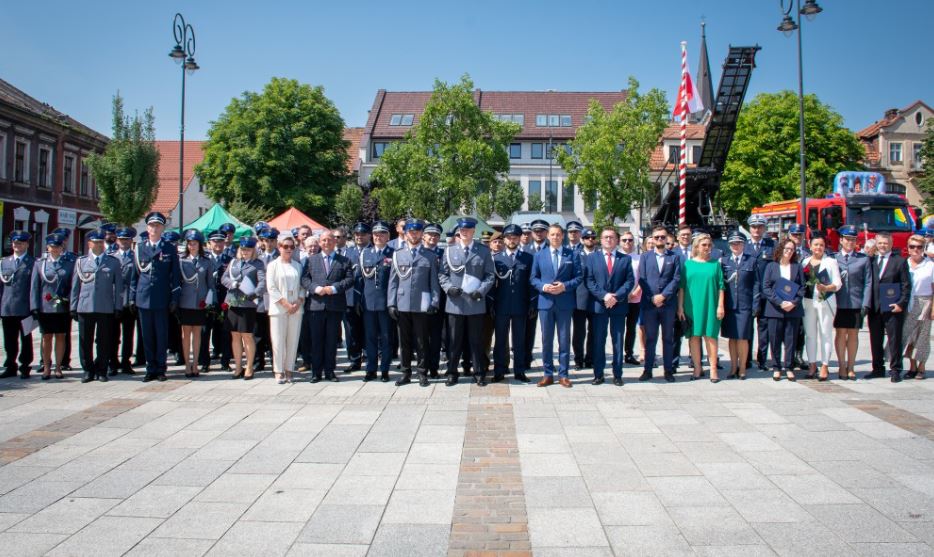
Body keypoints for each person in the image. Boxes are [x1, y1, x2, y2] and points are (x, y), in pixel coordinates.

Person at [440, 218, 495, 386]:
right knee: (454, 341)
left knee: (476, 341)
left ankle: (478, 373)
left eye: (468, 230)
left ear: (473, 232)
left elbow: (490, 276)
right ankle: (452, 372)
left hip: (475, 303)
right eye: (462, 230)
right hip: (455, 303)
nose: (465, 232)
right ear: (459, 232)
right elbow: (443, 274)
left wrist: (481, 291)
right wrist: (449, 288)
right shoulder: (449, 251)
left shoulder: (483, 251)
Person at [387, 219, 441, 387]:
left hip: (422, 304)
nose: (414, 234)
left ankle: (422, 373)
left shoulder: (430, 256)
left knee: (422, 340)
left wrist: (435, 302)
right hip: (402, 303)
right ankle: (405, 373)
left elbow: (434, 282)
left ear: (421, 234)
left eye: (417, 232)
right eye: (411, 231)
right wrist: (391, 303)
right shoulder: (398, 254)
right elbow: (393, 282)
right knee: (404, 341)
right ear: (406, 233)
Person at [531, 224, 582, 388]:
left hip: (564, 303)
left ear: (563, 236)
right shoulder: (539, 255)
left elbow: (579, 277)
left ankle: (563, 374)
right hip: (545, 303)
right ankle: (547, 374)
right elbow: (533, 278)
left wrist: (564, 286)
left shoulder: (572, 254)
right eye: (552, 235)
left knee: (564, 339)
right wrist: (544, 287)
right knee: (547, 340)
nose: (555, 237)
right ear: (548, 236)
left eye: (558, 234)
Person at [70, 230, 123, 383]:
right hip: (85, 306)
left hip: (105, 307)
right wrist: (73, 306)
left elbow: (118, 287)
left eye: (101, 242)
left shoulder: (113, 262)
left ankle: (102, 369)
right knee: (85, 340)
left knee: (104, 340)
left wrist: (118, 306)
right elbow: (75, 286)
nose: (98, 245)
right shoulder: (81, 262)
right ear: (89, 244)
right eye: (95, 242)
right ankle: (88, 370)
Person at [302, 229, 354, 383]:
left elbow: (350, 279)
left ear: (335, 242)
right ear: (320, 242)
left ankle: (330, 371)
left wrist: (334, 288)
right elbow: (304, 279)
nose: (327, 243)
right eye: (324, 240)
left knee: (331, 340)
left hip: (334, 306)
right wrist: (316, 289)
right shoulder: (311, 260)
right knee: (316, 340)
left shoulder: (344, 260)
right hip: (316, 306)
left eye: (330, 240)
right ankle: (316, 372)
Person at [134, 213, 181, 382]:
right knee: (147, 336)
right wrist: (133, 298)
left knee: (161, 335)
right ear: (147, 227)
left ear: (162, 228)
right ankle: (150, 368)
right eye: (152, 225)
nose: (154, 228)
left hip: (162, 298)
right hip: (144, 297)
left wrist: (175, 297)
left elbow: (174, 275)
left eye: (158, 226)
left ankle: (161, 368)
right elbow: (135, 275)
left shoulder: (169, 248)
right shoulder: (139, 248)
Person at [584, 227, 635, 386]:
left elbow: (630, 281)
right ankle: (598, 374)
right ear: (601, 239)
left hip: (618, 306)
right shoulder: (592, 258)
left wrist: (617, 296)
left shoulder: (625, 259)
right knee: (598, 340)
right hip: (599, 306)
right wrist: (605, 295)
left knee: (618, 341)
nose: (608, 240)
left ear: (617, 240)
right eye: (605, 237)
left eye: (612, 237)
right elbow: (589, 281)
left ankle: (618, 374)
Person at [677, 233, 725, 382]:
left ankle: (713, 369)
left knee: (710, 336)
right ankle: (697, 368)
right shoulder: (687, 264)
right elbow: (682, 288)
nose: (707, 248)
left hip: (711, 305)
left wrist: (720, 306)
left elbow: (721, 287)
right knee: (694, 337)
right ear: (696, 246)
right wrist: (680, 307)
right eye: (704, 245)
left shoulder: (715, 264)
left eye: (709, 245)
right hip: (691, 306)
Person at [638, 226, 682, 382]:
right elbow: (641, 279)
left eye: (662, 237)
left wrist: (663, 296)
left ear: (667, 239)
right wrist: (652, 298)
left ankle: (668, 370)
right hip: (650, 305)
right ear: (652, 239)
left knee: (668, 338)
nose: (659, 240)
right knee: (650, 338)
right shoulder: (645, 257)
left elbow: (676, 279)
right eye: (656, 237)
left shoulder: (674, 257)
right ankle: (647, 370)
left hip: (668, 304)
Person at [491, 224, 534, 383]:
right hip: (501, 305)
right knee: (500, 341)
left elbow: (531, 283)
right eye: (509, 237)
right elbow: (492, 284)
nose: (512, 240)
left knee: (519, 341)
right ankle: (499, 370)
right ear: (504, 239)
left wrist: (532, 304)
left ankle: (520, 371)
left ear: (519, 238)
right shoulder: (496, 258)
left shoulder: (528, 258)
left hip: (520, 305)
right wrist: (491, 304)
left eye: (515, 237)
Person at [866, 232, 911, 382]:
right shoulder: (871, 260)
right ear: (876, 244)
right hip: (875, 307)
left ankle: (896, 369)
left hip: (893, 307)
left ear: (891, 244)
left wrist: (901, 304)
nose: (883, 246)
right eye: (880, 243)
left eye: (885, 243)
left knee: (894, 340)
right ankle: (877, 368)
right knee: (875, 339)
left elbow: (906, 285)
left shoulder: (899, 261)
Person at [30, 233, 74, 380]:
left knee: (61, 336)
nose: (55, 249)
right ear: (47, 247)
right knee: (46, 337)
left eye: (58, 246)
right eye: (52, 246)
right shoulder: (40, 264)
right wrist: (34, 306)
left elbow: (72, 286)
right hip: (45, 306)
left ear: (62, 247)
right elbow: (35, 287)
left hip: (62, 306)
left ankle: (58, 367)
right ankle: (46, 367)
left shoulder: (69, 263)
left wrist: (66, 300)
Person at [222, 236, 266, 380]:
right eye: (243, 249)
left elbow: (262, 283)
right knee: (235, 335)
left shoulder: (257, 264)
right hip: (233, 302)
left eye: (248, 249)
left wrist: (253, 294)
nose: (245, 252)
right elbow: (224, 278)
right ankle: (238, 366)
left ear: (253, 250)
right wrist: (232, 283)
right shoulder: (234, 262)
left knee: (247, 335)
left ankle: (249, 367)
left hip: (247, 303)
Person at [762, 239, 805, 381]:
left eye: (792, 249)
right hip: (775, 309)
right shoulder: (771, 266)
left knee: (791, 339)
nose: (789, 251)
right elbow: (766, 287)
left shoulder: (797, 267)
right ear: (781, 249)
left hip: (793, 309)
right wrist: (780, 302)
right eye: (787, 248)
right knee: (774, 339)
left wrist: (793, 302)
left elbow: (802, 287)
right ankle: (776, 367)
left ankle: (789, 367)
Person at [801, 235, 842, 381]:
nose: (818, 247)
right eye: (816, 245)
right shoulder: (805, 261)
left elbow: (838, 283)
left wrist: (826, 287)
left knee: (825, 334)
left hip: (825, 301)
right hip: (808, 301)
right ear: (810, 246)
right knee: (810, 335)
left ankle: (825, 365)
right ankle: (812, 365)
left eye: (821, 245)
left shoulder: (831, 262)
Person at [833, 225, 872, 380]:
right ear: (841, 240)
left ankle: (851, 366)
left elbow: (868, 283)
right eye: (847, 239)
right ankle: (842, 365)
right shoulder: (833, 258)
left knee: (854, 334)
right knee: (841, 334)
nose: (850, 242)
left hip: (856, 302)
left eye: (853, 239)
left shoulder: (863, 259)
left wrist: (866, 303)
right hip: (838, 302)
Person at [358, 220, 395, 382]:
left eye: (382, 234)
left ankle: (385, 369)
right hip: (368, 302)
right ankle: (371, 369)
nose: (378, 237)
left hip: (386, 303)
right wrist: (359, 300)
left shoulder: (394, 253)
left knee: (387, 338)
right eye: (375, 234)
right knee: (370, 337)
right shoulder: (365, 253)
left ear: (388, 236)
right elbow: (359, 279)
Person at [266, 233, 305, 384]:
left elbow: (303, 286)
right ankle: (278, 370)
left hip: (296, 307)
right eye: (285, 246)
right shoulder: (272, 265)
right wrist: (286, 304)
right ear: (279, 247)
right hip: (278, 308)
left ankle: (289, 369)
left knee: (293, 340)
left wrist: (299, 301)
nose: (288, 249)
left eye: (291, 247)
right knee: (278, 340)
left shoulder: (298, 265)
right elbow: (271, 287)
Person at [177, 229, 215, 378]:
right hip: (185, 302)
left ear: (200, 245)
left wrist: (212, 301)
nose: (192, 246)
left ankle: (195, 364)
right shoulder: (181, 260)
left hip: (200, 302)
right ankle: (187, 364)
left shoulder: (206, 261)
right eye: (190, 243)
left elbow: (210, 284)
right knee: (186, 335)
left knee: (198, 334)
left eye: (195, 243)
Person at [720, 232, 759, 380]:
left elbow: (756, 284)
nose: (735, 246)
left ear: (744, 244)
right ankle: (733, 367)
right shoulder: (724, 261)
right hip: (729, 304)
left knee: (743, 337)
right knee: (732, 338)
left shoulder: (752, 261)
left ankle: (742, 367)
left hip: (744, 304)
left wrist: (755, 304)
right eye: (733, 243)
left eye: (738, 243)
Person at [0, 230, 35, 379]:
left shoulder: (33, 263)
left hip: (25, 308)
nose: (16, 245)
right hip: (7, 307)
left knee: (26, 339)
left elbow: (34, 288)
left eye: (20, 243)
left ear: (26, 244)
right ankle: (10, 365)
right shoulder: (4, 262)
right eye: (15, 243)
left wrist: (34, 307)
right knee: (9, 340)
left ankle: (25, 366)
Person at [745, 215, 775, 370]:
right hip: (748, 293)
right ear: (749, 228)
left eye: (760, 227)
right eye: (754, 227)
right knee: (747, 327)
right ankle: (746, 359)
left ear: (764, 228)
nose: (756, 230)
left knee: (764, 329)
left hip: (765, 294)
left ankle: (762, 359)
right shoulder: (744, 246)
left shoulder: (771, 246)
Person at [200, 230, 233, 373]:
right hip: (208, 300)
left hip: (224, 299)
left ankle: (225, 361)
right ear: (209, 243)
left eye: (220, 241)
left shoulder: (230, 259)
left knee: (226, 332)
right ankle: (204, 362)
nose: (218, 244)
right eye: (215, 241)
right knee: (205, 331)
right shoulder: (205, 258)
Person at [903, 234, 934, 380]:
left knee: (923, 336)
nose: (916, 250)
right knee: (909, 336)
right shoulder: (904, 263)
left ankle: (921, 367)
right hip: (908, 302)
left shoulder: (930, 265)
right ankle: (912, 366)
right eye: (912, 247)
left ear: (924, 248)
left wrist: (933, 307)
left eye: (919, 247)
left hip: (925, 301)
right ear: (908, 248)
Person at [341, 223, 369, 372]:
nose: (359, 237)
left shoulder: (372, 250)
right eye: (357, 234)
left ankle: (370, 358)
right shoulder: (348, 252)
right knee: (351, 331)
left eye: (363, 234)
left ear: (369, 235)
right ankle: (354, 360)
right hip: (350, 297)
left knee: (369, 330)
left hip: (368, 297)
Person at [109, 228, 138, 376]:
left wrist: (133, 299)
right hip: (114, 301)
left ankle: (126, 362)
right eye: (121, 240)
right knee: (113, 335)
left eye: (126, 239)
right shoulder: (111, 257)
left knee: (128, 334)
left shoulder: (136, 257)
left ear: (131, 241)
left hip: (129, 301)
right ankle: (113, 362)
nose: (124, 242)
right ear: (117, 241)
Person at [521, 219, 549, 374]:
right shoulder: (525, 250)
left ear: (546, 232)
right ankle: (526, 357)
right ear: (532, 233)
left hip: (547, 296)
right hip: (528, 297)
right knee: (528, 329)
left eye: (542, 231)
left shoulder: (552, 249)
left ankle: (547, 360)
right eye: (536, 231)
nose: (538, 233)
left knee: (547, 331)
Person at [253, 227, 279, 373]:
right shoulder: (258, 259)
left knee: (274, 334)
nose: (269, 243)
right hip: (261, 300)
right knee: (258, 333)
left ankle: (275, 361)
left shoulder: (281, 257)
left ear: (276, 242)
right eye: (266, 240)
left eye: (272, 241)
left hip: (276, 300)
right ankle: (258, 361)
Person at [422, 222, 446, 378]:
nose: (433, 237)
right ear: (423, 236)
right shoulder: (419, 252)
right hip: (421, 299)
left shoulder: (444, 253)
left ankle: (434, 366)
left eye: (436, 235)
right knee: (421, 335)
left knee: (436, 335)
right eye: (430, 234)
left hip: (441, 299)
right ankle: (422, 366)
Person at [572, 226, 596, 370]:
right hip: (579, 299)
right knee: (578, 332)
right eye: (587, 238)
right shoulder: (576, 254)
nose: (590, 240)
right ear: (582, 239)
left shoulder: (600, 254)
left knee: (593, 332)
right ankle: (578, 359)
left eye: (593, 237)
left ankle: (590, 359)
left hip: (595, 300)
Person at [619, 231, 642, 366]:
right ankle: (617, 353)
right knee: (618, 328)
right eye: (624, 240)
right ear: (620, 242)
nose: (627, 242)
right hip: (620, 299)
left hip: (635, 298)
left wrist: (636, 292)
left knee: (631, 327)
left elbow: (643, 278)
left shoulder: (639, 258)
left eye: (630, 240)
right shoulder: (617, 257)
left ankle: (629, 353)